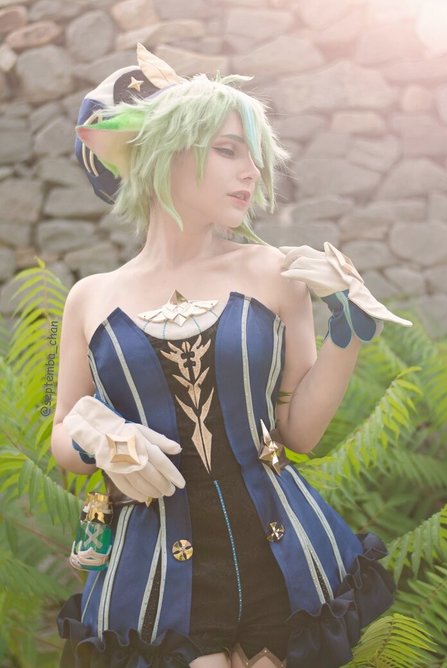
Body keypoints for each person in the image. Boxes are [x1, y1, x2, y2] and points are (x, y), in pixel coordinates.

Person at [51, 44, 411, 668]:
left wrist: (350, 329)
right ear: (162, 153)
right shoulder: (90, 297)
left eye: (255, 155)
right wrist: (100, 438)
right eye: (227, 150)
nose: (252, 172)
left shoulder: (275, 272)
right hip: (155, 576)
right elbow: (62, 435)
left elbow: (299, 431)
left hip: (282, 560)